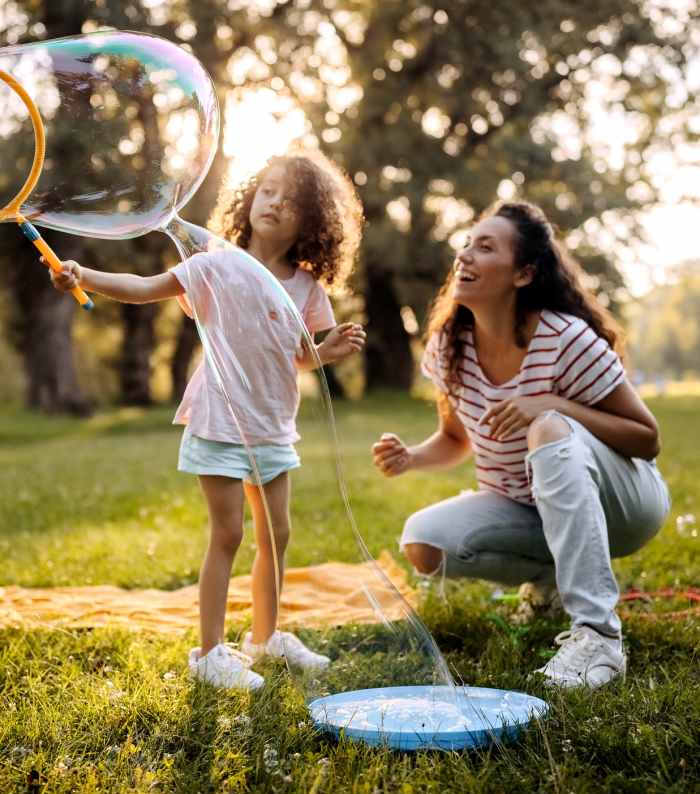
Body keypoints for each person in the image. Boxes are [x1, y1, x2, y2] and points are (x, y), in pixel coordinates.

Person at [50, 150, 366, 690]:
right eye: (267, 191)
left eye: (291, 199)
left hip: (272, 425)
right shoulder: (214, 264)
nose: (275, 203)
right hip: (219, 420)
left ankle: (266, 638)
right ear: (249, 200)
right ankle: (211, 653)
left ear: (312, 221)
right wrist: (86, 276)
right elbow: (145, 286)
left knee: (278, 534)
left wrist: (326, 351)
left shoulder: (307, 287)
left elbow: (296, 356)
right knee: (228, 533)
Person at [372, 201, 670, 690]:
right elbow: (454, 438)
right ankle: (554, 581)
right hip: (529, 505)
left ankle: (597, 635)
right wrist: (412, 457)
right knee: (423, 542)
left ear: (524, 273)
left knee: (549, 428)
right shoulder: (450, 346)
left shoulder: (566, 338)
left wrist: (553, 404)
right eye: (467, 243)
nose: (464, 255)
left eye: (485, 247)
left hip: (626, 504)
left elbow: (647, 438)